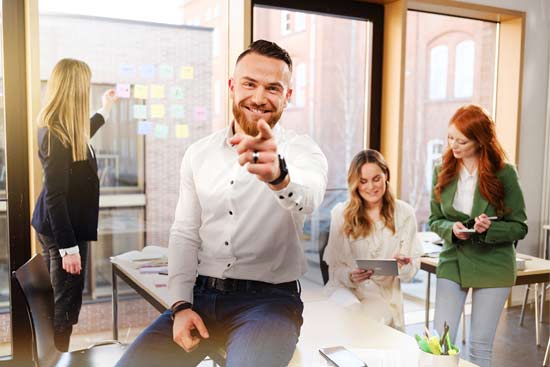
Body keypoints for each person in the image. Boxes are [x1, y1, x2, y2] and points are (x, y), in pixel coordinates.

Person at [116, 40, 328, 367]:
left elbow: (309, 197)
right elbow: (185, 233)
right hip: (201, 298)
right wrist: (181, 305)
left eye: (273, 88)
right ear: (232, 86)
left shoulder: (303, 151)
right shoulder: (198, 153)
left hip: (269, 304)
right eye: (249, 84)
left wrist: (279, 178)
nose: (258, 97)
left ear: (288, 95)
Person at [430, 104, 527, 367]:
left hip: (494, 264)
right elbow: (434, 219)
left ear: (480, 141)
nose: (454, 145)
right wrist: (450, 229)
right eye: (450, 137)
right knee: (442, 343)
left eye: (462, 140)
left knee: (479, 346)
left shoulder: (504, 172)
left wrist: (490, 229)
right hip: (454, 260)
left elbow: (519, 225)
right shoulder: (441, 169)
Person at [31, 58, 118, 351]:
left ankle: (55, 355)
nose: (89, 89)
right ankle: (57, 358)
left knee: (62, 299)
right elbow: (55, 195)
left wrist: (104, 110)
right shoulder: (56, 134)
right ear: (75, 89)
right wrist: (68, 249)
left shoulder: (66, 129)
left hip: (60, 225)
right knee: (65, 304)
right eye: (87, 85)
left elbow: (82, 137)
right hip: (63, 230)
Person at [323, 149, 423, 330]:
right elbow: (335, 270)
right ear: (355, 184)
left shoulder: (404, 213)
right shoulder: (340, 214)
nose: (371, 187)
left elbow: (410, 274)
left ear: (386, 175)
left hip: (385, 300)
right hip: (350, 296)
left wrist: (403, 265)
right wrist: (350, 276)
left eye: (376, 178)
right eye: (363, 181)